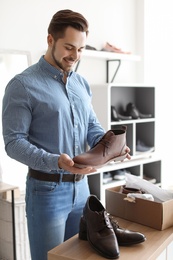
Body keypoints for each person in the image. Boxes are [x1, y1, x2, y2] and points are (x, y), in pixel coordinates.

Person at [2, 9, 131, 260]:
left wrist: (109, 145)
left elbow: (91, 126)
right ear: (50, 40)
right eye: (69, 47)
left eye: (81, 49)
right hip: (46, 192)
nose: (75, 56)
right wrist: (55, 161)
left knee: (81, 256)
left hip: (82, 190)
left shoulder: (81, 84)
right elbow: (13, 142)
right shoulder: (23, 85)